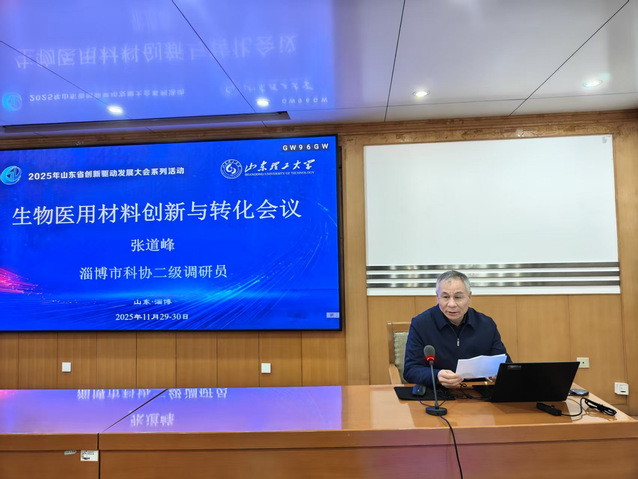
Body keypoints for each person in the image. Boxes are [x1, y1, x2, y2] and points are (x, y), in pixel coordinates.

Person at [403, 270, 510, 388]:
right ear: (437, 297)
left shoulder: (486, 325)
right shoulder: (421, 324)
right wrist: (436, 375)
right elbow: (410, 370)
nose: (452, 304)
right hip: (438, 392)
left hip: (477, 391)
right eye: (445, 297)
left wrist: (500, 373)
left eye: (458, 297)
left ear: (469, 297)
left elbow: (505, 364)